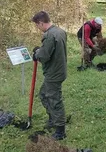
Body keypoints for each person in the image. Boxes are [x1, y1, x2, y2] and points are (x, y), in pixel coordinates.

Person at [31, 11, 67, 140]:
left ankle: (60, 131)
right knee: (43, 95)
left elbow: (44, 56)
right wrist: (40, 50)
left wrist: (37, 53)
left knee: (54, 100)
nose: (38, 28)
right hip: (59, 70)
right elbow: (52, 50)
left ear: (41, 23)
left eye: (37, 25)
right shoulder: (60, 31)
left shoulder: (50, 35)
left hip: (54, 73)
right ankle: (53, 119)